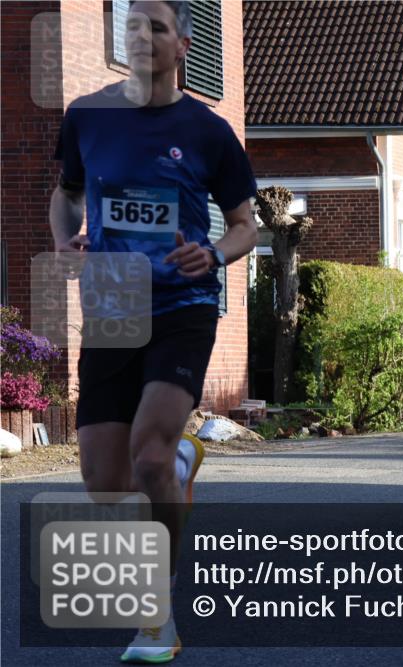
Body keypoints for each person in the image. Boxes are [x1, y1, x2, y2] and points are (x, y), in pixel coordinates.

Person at [48, 2, 258, 662]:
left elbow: (248, 224)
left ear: (183, 44)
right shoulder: (86, 116)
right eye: (132, 26)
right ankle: (181, 462)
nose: (141, 37)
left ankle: (156, 616)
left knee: (146, 453)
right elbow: (66, 191)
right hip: (112, 303)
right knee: (105, 482)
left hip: (182, 302)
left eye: (156, 27)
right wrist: (65, 237)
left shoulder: (208, 130)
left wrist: (214, 254)